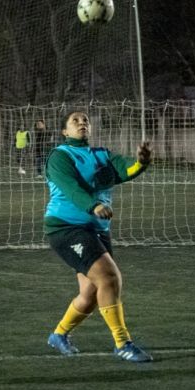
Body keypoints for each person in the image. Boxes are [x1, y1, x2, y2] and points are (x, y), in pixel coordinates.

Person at [45, 111, 153, 363]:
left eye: (85, 120)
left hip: (96, 231)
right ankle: (122, 343)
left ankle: (58, 335)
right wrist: (93, 205)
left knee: (92, 293)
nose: (82, 123)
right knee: (108, 277)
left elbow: (126, 169)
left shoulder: (102, 154)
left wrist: (141, 161)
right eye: (75, 121)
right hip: (65, 228)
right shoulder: (59, 156)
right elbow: (71, 188)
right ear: (65, 131)